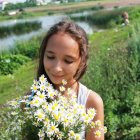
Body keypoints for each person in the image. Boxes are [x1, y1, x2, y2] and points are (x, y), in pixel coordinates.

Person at [37, 20, 104, 140]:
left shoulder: (91, 102)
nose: (57, 68)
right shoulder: (33, 100)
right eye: (50, 57)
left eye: (68, 61)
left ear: (82, 62)